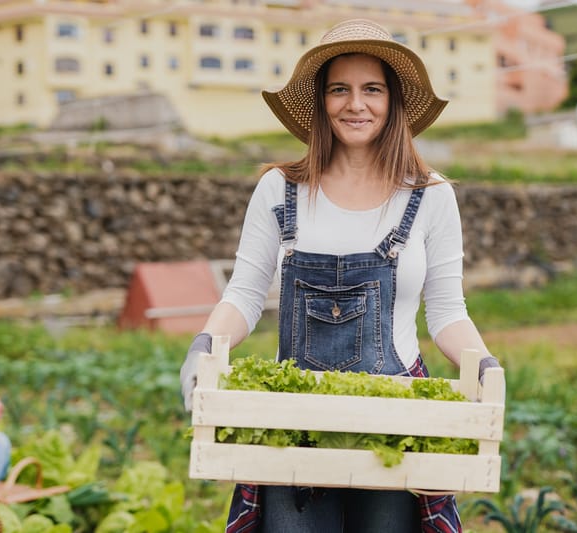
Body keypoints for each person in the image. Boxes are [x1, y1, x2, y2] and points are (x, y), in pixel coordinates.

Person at [181, 18, 501, 533]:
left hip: (395, 419)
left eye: (372, 89)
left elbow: (446, 311)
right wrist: (203, 344)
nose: (357, 104)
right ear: (321, 102)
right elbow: (243, 294)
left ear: (392, 101)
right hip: (295, 421)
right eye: (340, 90)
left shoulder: (430, 196)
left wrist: (484, 365)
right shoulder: (278, 189)